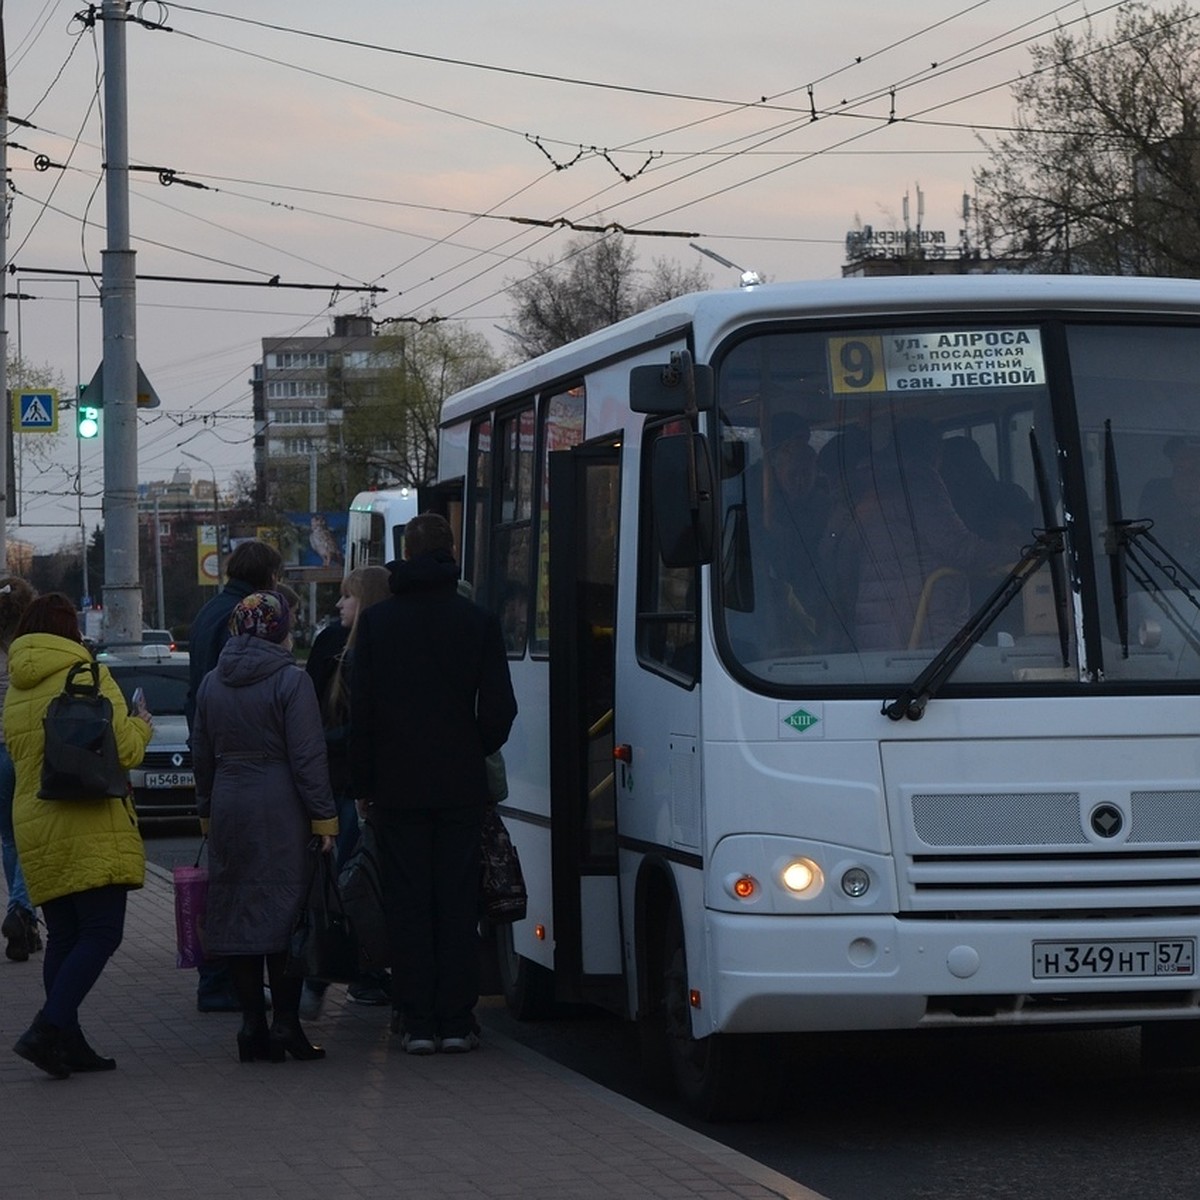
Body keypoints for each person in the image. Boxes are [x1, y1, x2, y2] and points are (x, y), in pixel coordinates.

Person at [350, 513, 517, 1055]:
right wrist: (472, 747)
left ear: (407, 552)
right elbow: (499, 709)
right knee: (455, 900)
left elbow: (363, 714)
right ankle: (455, 1019)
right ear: (450, 554)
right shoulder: (477, 620)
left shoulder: (378, 625)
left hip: (397, 787)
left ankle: (416, 1019)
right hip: (459, 785)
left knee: (408, 902)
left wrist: (365, 780)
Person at [6, 593, 153, 1078]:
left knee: (67, 935)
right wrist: (142, 726)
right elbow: (125, 751)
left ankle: (67, 1043)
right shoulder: (90, 676)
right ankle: (47, 1029)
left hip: (36, 820)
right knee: (101, 932)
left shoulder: (17, 686)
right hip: (88, 821)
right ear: (71, 631)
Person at [191, 590, 337, 1063]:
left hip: (230, 802)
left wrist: (207, 811)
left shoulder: (214, 681)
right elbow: (308, 756)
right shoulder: (290, 682)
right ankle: (287, 1027)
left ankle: (250, 1026)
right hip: (280, 806)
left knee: (237, 912)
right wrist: (324, 818)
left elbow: (201, 754)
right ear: (278, 629)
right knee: (286, 911)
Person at [184, 538, 283, 1012]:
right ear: (268, 577)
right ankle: (222, 982)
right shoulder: (240, 618)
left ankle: (217, 978)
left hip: (217, 762)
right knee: (246, 883)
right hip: (245, 762)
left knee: (224, 875)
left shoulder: (209, 612)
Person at [300, 565, 393, 1018]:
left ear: (368, 602)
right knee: (345, 883)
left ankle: (347, 975)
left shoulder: (367, 647)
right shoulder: (331, 645)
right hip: (340, 786)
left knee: (355, 883)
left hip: (352, 784)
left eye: (347, 597)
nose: (338, 605)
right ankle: (330, 976)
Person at [0, 576, 39, 961]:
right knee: (31, 836)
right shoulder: (29, 650)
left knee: (9, 838)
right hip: (24, 750)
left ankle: (23, 920)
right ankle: (21, 910)